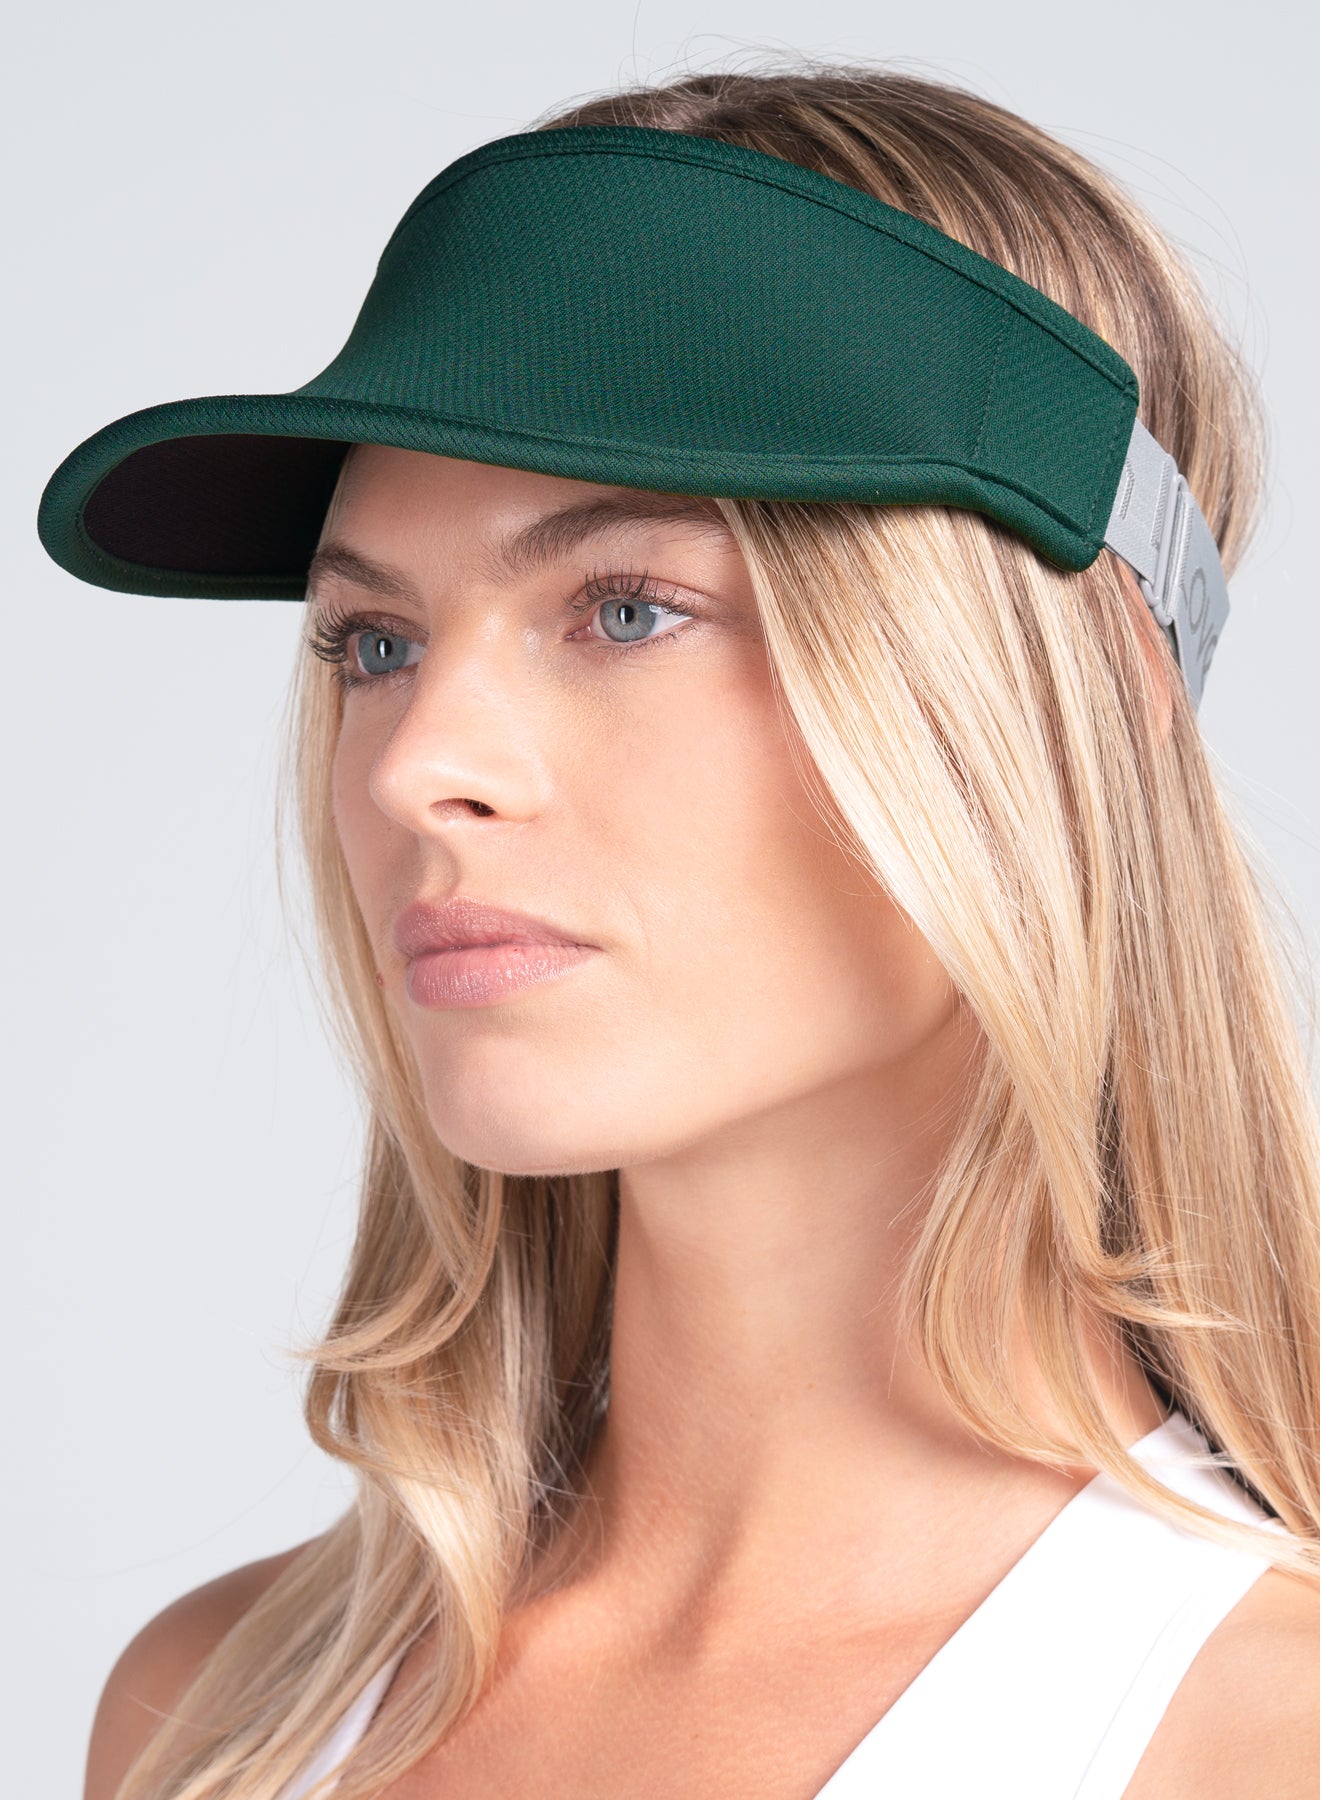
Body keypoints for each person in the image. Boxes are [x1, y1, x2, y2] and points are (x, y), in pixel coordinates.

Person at [41, 61, 1320, 1800]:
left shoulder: (1260, 1740)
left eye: (628, 608)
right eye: (374, 644)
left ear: (1076, 693)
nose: (417, 768)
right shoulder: (213, 1710)